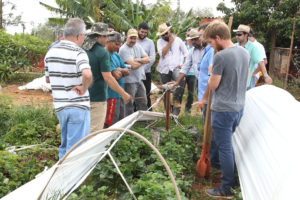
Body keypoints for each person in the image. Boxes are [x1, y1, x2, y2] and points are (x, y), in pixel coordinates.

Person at [199, 20, 250, 199]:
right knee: (226, 145)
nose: (211, 45)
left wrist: (212, 70)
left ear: (219, 37)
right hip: (238, 107)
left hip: (222, 109)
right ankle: (222, 170)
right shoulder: (244, 52)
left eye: (212, 42)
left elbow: (213, 85)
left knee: (225, 147)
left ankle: (226, 187)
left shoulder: (220, 57)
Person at [45, 18, 93, 159]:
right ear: (79, 36)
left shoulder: (51, 52)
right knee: (76, 150)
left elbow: (48, 79)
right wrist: (84, 87)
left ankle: (60, 177)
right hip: (77, 105)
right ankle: (71, 180)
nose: (84, 39)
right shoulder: (78, 52)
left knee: (65, 146)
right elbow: (87, 73)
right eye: (84, 35)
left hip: (60, 106)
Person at [82, 22, 131, 133]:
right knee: (94, 132)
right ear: (101, 36)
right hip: (97, 98)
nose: (107, 39)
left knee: (82, 129)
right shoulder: (102, 52)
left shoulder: (82, 48)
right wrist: (124, 94)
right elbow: (108, 78)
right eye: (106, 36)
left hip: (81, 96)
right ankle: (91, 150)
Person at [168, 28, 205, 113]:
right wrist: (177, 82)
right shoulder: (192, 51)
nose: (194, 42)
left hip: (209, 80)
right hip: (199, 79)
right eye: (192, 40)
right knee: (202, 100)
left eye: (196, 39)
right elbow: (186, 67)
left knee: (204, 100)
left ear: (200, 37)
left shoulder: (208, 49)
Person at [156, 23, 188, 116]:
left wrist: (183, 65)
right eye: (163, 34)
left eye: (166, 33)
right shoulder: (159, 42)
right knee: (165, 90)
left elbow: (186, 53)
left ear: (169, 31)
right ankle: (167, 112)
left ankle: (176, 105)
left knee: (181, 81)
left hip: (175, 67)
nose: (165, 35)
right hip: (164, 69)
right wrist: (170, 42)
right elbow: (163, 54)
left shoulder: (178, 40)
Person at [119, 28, 150, 116]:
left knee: (143, 101)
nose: (133, 40)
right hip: (129, 81)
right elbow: (133, 66)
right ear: (127, 37)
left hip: (139, 79)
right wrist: (141, 61)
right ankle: (128, 125)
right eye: (131, 38)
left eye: (135, 38)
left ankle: (143, 124)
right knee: (129, 104)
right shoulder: (123, 49)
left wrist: (137, 60)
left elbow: (148, 59)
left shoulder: (138, 46)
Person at [105, 31, 131, 127]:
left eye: (120, 44)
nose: (118, 47)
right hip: (111, 94)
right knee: (110, 122)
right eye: (116, 44)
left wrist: (120, 69)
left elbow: (127, 71)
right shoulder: (106, 55)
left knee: (120, 121)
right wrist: (120, 71)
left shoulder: (116, 55)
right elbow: (115, 76)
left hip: (119, 94)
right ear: (109, 41)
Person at [234, 24, 272, 89]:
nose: (237, 36)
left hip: (245, 84)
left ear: (246, 35)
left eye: (239, 34)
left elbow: (261, 62)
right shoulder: (234, 46)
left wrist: (266, 76)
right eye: (236, 34)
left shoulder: (253, 48)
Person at [137, 22, 156, 110]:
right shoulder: (133, 41)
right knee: (134, 95)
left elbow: (152, 58)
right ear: (138, 30)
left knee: (146, 94)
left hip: (145, 73)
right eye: (142, 32)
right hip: (133, 73)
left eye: (145, 32)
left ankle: (148, 114)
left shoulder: (150, 42)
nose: (143, 34)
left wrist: (143, 69)